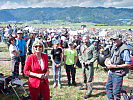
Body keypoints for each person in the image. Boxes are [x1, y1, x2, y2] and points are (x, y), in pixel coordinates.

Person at [105, 34, 131, 100]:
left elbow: (128, 64)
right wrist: (107, 61)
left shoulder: (124, 49)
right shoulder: (114, 47)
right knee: (108, 88)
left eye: (115, 39)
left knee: (116, 92)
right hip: (111, 72)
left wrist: (114, 66)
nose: (114, 41)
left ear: (120, 40)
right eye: (113, 39)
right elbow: (111, 57)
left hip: (118, 73)